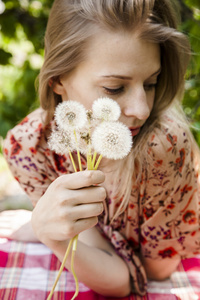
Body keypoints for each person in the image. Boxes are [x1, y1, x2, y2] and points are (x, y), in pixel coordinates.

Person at [1, 0, 200, 297]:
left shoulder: (163, 147)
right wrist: (55, 233)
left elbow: (156, 270)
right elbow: (112, 269)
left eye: (151, 83)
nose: (142, 110)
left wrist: (56, 236)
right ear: (57, 80)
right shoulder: (29, 147)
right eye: (114, 88)